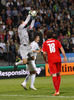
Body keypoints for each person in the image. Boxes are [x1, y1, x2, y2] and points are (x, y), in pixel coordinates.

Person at [42, 31, 67, 96]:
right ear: (52, 35)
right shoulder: (56, 41)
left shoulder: (45, 43)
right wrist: (64, 57)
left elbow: (44, 53)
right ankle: (58, 89)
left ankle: (57, 91)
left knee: (54, 75)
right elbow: (61, 49)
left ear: (46, 36)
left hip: (51, 60)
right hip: (58, 59)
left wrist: (45, 59)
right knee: (58, 74)